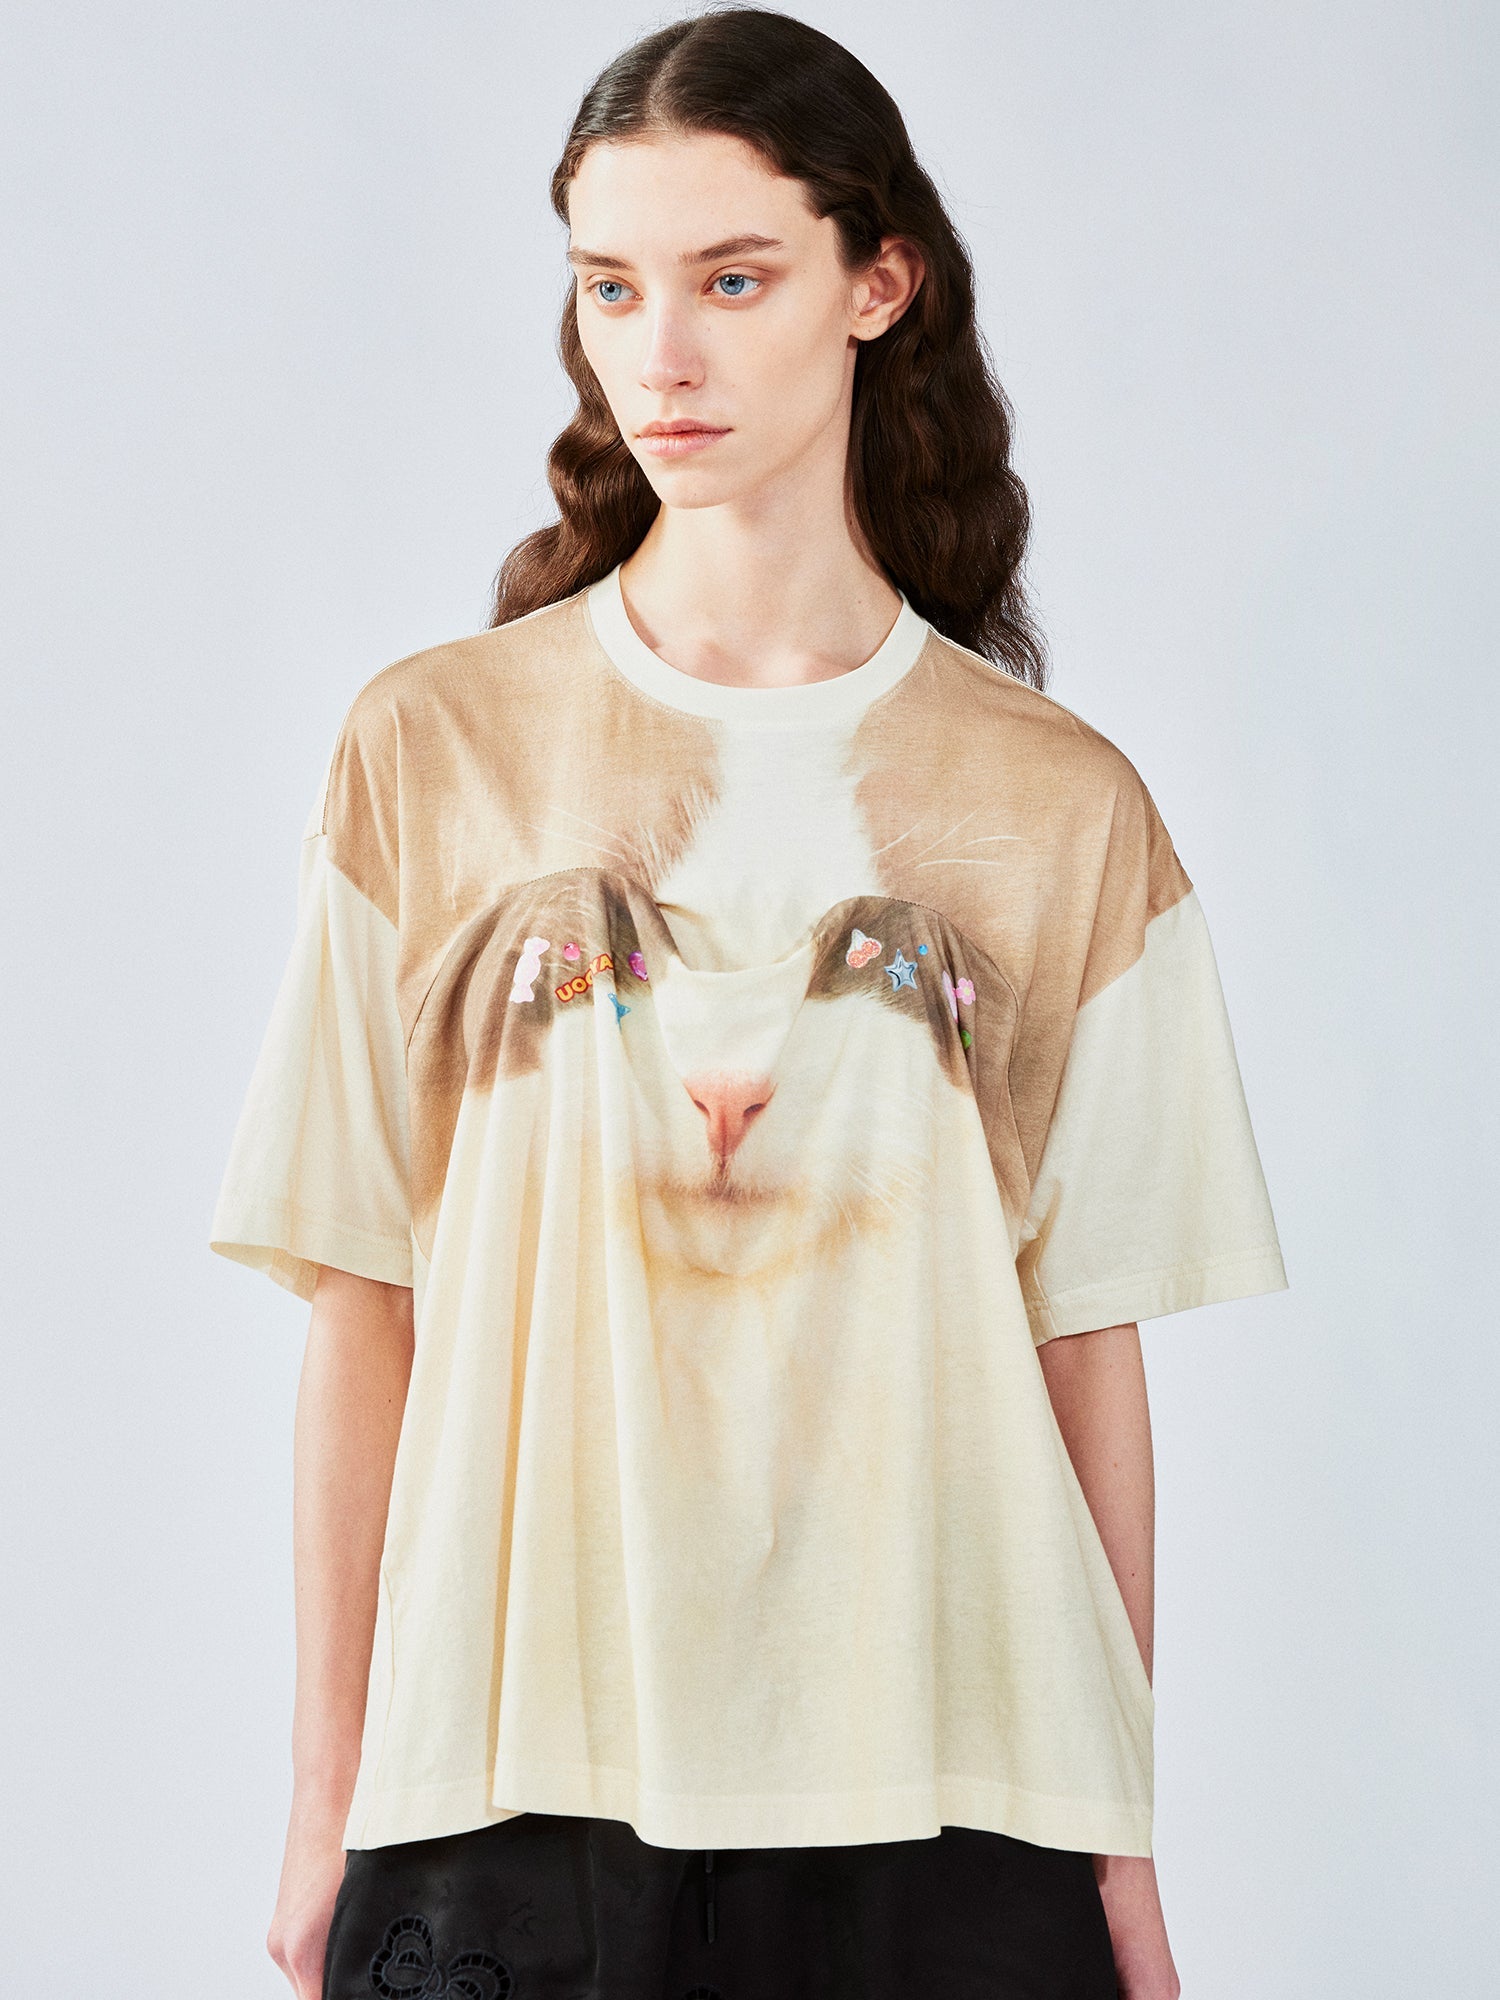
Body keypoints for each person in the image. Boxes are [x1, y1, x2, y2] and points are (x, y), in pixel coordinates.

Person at [209, 10, 1288, 1998]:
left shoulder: (1057, 806)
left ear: (880, 284)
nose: (661, 357)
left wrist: (1119, 1831)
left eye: (732, 279)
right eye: (611, 287)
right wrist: (323, 1793)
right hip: (505, 1800)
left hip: (948, 1814)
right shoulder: (432, 750)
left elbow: (1082, 1350)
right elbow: (364, 1306)